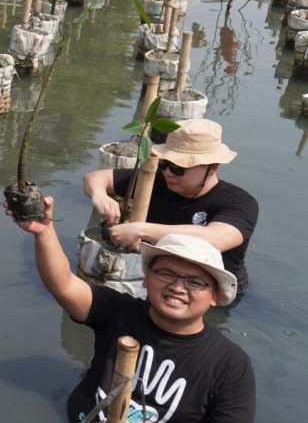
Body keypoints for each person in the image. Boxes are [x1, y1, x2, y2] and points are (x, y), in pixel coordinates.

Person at [12, 198, 254, 423]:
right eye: (166, 274)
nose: (177, 287)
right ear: (147, 279)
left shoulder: (230, 363)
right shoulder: (119, 311)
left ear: (214, 296)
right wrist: (44, 231)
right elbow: (63, 285)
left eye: (195, 282)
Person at [83, 119, 258, 301]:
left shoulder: (240, 202)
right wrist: (99, 195)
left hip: (214, 292)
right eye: (164, 164)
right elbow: (95, 178)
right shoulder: (155, 181)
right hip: (163, 280)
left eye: (178, 168)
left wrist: (139, 229)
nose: (168, 173)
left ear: (212, 168)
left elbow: (215, 238)